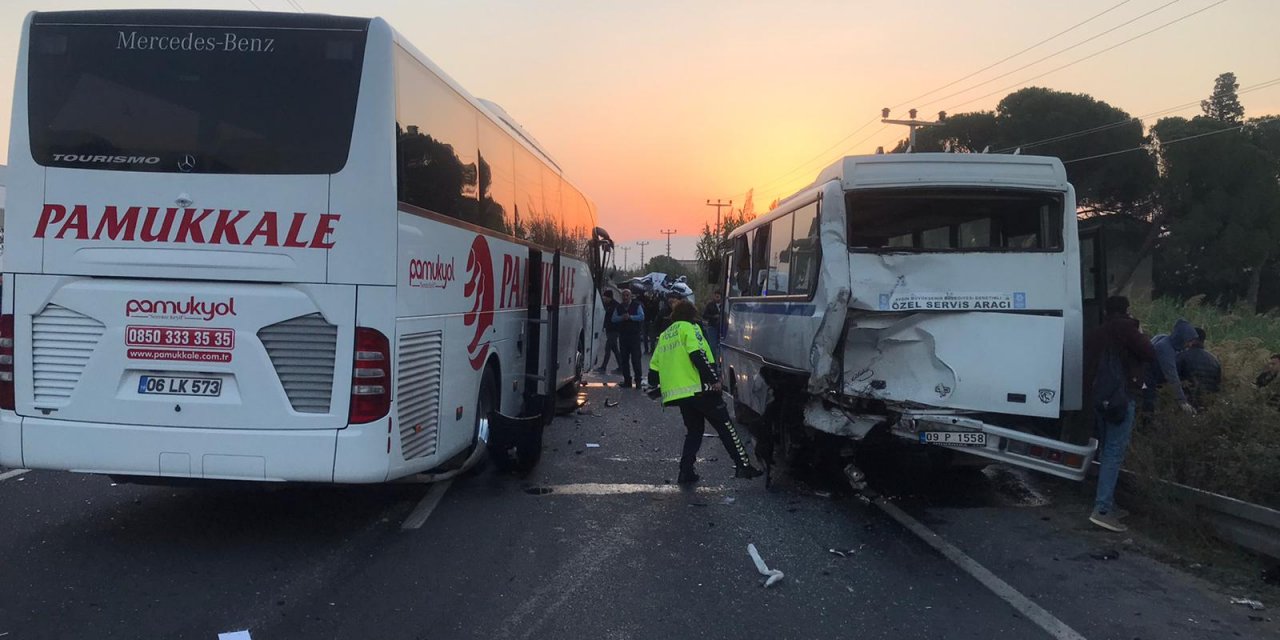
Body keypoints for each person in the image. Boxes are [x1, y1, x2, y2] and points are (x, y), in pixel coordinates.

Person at [647, 300, 762, 484]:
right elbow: (698, 355)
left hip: (681, 395)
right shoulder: (690, 329)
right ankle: (743, 466)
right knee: (726, 427)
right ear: (692, 315)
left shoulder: (665, 335)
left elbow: (653, 373)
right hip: (701, 390)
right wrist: (714, 380)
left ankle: (685, 472)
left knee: (694, 431)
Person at [1083, 296, 1157, 533]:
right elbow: (1150, 354)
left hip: (1099, 399)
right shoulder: (1128, 329)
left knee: (1106, 450)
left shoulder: (1097, 333)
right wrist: (1140, 329)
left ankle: (1108, 504)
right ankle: (1102, 510)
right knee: (1114, 452)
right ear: (1127, 309)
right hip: (1121, 399)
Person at [1142, 318, 1198, 416]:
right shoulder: (1165, 349)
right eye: (1189, 341)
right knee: (1149, 411)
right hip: (1148, 383)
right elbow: (1172, 376)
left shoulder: (1163, 338)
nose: (1190, 345)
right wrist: (1182, 401)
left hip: (1148, 381)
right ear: (1181, 338)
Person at [1175, 327, 1222, 410]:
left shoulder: (1182, 357)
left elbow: (1173, 380)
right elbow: (1218, 386)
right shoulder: (1215, 360)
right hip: (1208, 406)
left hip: (1187, 405)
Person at [612, 288, 645, 388]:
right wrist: (622, 317)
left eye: (627, 295)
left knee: (636, 359)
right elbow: (613, 319)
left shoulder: (637, 306)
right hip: (623, 336)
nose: (625, 297)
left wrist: (630, 317)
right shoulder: (619, 307)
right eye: (623, 295)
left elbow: (641, 316)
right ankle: (627, 381)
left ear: (630, 296)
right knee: (624, 360)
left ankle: (638, 381)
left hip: (634, 336)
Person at [595, 289, 622, 374]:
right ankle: (621, 366)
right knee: (615, 349)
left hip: (614, 330)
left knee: (608, 348)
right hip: (610, 329)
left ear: (609, 297)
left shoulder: (615, 306)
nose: (604, 299)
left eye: (605, 297)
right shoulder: (609, 305)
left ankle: (603, 367)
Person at [702, 291, 724, 362]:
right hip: (712, 327)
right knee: (712, 345)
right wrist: (713, 317)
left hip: (722, 328)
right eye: (715, 296)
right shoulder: (710, 305)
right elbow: (704, 315)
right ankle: (713, 361)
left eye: (718, 297)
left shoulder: (724, 305)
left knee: (721, 346)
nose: (716, 298)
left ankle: (720, 361)